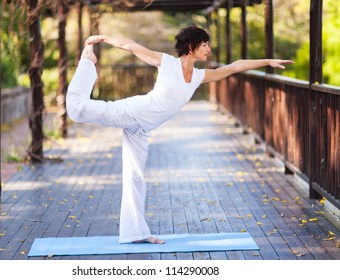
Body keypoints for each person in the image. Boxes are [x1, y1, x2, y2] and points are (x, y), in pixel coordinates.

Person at [66, 25, 293, 244]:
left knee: (135, 178)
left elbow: (234, 67)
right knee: (77, 108)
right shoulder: (167, 63)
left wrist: (267, 62)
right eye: (204, 45)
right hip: (133, 112)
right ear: (191, 46)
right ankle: (88, 62)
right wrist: (101, 38)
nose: (208, 50)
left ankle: (135, 232)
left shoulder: (198, 76)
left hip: (142, 129)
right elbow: (130, 45)